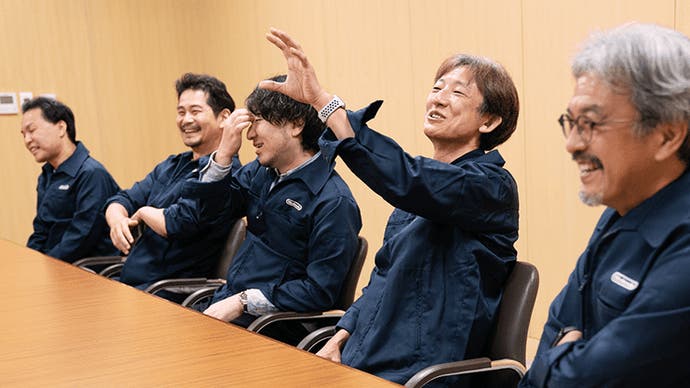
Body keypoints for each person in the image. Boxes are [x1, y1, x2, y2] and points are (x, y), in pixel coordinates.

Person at [261, 29, 520, 385]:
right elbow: (382, 275)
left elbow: (410, 179)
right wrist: (340, 337)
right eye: (436, 88)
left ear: (489, 121)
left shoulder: (490, 186)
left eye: (457, 91)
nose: (438, 100)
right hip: (368, 357)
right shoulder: (419, 191)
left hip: (421, 372)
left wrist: (323, 101)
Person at [520, 23, 690, 387]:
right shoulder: (621, 209)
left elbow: (588, 380)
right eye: (572, 122)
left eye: (592, 123)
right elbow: (557, 327)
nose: (572, 144)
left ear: (668, 135)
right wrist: (564, 357)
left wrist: (558, 361)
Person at [183, 75, 362, 344]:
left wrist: (244, 301)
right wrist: (222, 157)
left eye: (258, 122)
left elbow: (319, 291)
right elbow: (210, 214)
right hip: (231, 306)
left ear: (295, 124)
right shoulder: (262, 171)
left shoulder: (333, 201)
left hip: (275, 326)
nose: (250, 134)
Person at [104, 73, 238, 302]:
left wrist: (145, 212)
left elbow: (178, 223)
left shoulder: (226, 176)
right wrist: (117, 220)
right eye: (181, 112)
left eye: (195, 111)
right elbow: (122, 198)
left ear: (224, 117)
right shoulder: (172, 164)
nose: (186, 120)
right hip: (132, 282)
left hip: (168, 293)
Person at [22, 97, 120, 263]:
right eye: (24, 134)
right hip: (56, 264)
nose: (27, 140)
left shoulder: (92, 174)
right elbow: (41, 230)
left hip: (87, 268)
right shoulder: (46, 175)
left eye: (32, 130)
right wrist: (29, 260)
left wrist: (45, 265)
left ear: (61, 128)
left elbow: (82, 236)